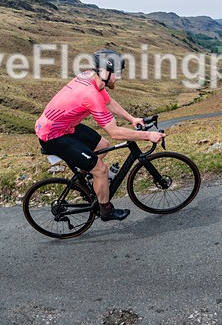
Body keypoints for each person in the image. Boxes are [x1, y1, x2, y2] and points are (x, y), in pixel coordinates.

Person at [34, 49, 165, 222]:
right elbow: (114, 132)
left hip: (64, 126)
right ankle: (105, 210)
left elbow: (108, 102)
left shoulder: (90, 77)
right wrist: (148, 136)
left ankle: (87, 182)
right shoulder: (91, 95)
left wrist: (131, 118)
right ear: (105, 72)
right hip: (53, 135)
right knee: (101, 170)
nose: (118, 77)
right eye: (116, 73)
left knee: (103, 146)